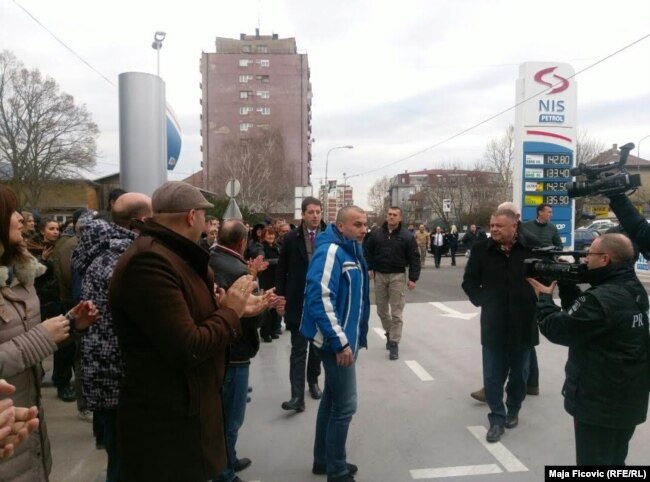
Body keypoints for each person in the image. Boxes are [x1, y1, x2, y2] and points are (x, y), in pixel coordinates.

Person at [108, 181, 258, 482]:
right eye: (205, 218)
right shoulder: (150, 262)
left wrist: (234, 308)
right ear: (191, 216)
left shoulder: (175, 256)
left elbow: (193, 322)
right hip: (166, 423)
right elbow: (187, 345)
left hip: (185, 411)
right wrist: (229, 311)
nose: (207, 227)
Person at [0, 185, 97, 480]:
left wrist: (69, 324)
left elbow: (25, 337)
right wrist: (42, 337)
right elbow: (31, 341)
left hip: (28, 435)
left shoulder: (21, 274)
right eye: (11, 212)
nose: (20, 219)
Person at [528, 233, 649, 465]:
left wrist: (544, 299)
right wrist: (567, 285)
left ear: (605, 259)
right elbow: (587, 319)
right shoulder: (632, 287)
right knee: (615, 460)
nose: (584, 260)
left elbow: (558, 329)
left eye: (589, 254)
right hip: (628, 396)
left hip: (599, 401)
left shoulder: (601, 298)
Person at [72, 193, 153, 482]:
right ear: (141, 221)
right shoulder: (126, 260)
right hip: (121, 376)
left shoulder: (101, 250)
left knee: (119, 457)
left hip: (104, 372)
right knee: (126, 463)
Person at [301, 206, 369, 482]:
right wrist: (341, 342)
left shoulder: (350, 248)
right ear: (341, 226)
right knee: (345, 406)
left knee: (331, 401)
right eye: (357, 224)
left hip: (341, 340)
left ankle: (323, 460)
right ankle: (337, 471)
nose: (363, 228)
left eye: (365, 223)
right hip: (335, 344)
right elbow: (319, 297)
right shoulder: (331, 251)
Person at [209, 220, 278, 482]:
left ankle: (229, 459)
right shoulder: (239, 271)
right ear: (242, 241)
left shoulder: (211, 259)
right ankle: (225, 473)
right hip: (236, 352)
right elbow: (251, 319)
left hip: (219, 347)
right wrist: (264, 303)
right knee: (231, 418)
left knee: (223, 414)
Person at [462, 208, 538, 443]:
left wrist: (539, 301)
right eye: (491, 225)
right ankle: (496, 418)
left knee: (520, 374)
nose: (493, 229)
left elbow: (546, 280)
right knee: (493, 374)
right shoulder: (480, 250)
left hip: (524, 321)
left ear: (514, 226)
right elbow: (469, 282)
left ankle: (513, 409)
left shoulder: (533, 248)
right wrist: (484, 300)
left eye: (499, 226)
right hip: (494, 322)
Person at [276, 197, 325, 411]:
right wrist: (280, 298)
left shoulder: (329, 237)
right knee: (298, 349)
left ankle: (313, 381)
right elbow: (281, 270)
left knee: (316, 347)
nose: (315, 215)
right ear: (303, 214)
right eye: (311, 212)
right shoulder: (290, 238)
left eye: (318, 211)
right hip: (297, 300)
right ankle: (297, 397)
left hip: (321, 301)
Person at [363, 206, 420, 360]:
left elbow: (415, 258)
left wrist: (413, 278)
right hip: (380, 275)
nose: (392, 217)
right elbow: (366, 251)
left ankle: (394, 343)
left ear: (400, 218)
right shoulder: (376, 235)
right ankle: (389, 332)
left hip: (398, 276)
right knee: (381, 310)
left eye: (395, 215)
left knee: (397, 312)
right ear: (386, 216)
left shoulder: (407, 236)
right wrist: (369, 268)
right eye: (390, 214)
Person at [258, 226, 281, 342]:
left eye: (272, 234)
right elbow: (263, 261)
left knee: (274, 305)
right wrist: (278, 261)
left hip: (276, 279)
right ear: (263, 236)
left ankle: (273, 330)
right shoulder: (261, 246)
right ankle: (265, 332)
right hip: (266, 279)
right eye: (268, 234)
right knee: (266, 306)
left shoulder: (277, 247)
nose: (271, 236)